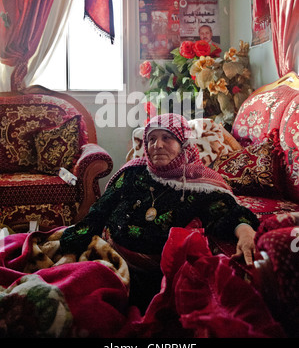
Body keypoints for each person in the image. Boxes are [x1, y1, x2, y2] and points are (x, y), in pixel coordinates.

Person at [59, 113, 259, 310]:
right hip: (106, 254)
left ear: (184, 144)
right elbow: (100, 211)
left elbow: (227, 213)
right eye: (152, 139)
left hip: (155, 277)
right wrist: (71, 249)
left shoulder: (200, 183)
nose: (158, 145)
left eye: (167, 137)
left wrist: (245, 232)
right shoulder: (133, 173)